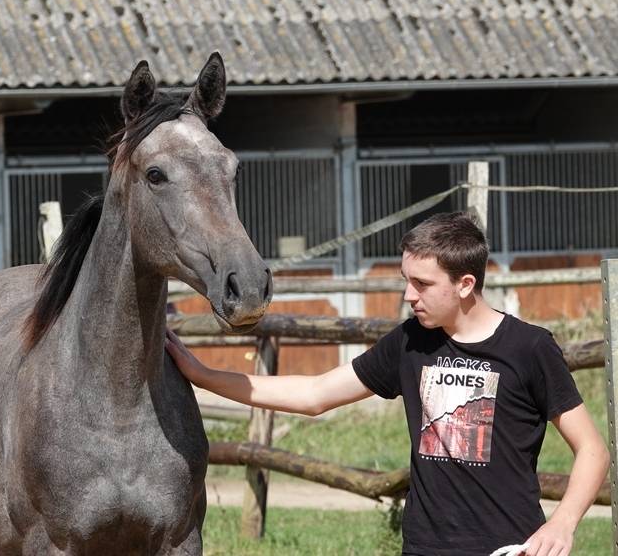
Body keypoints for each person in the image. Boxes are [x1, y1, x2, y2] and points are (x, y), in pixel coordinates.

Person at [165, 212, 609, 556]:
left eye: (422, 284)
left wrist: (563, 522)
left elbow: (592, 449)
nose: (408, 295)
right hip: (422, 547)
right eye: (405, 281)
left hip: (510, 547)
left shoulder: (530, 348)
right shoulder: (410, 342)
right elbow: (314, 395)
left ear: (465, 284)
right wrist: (203, 375)